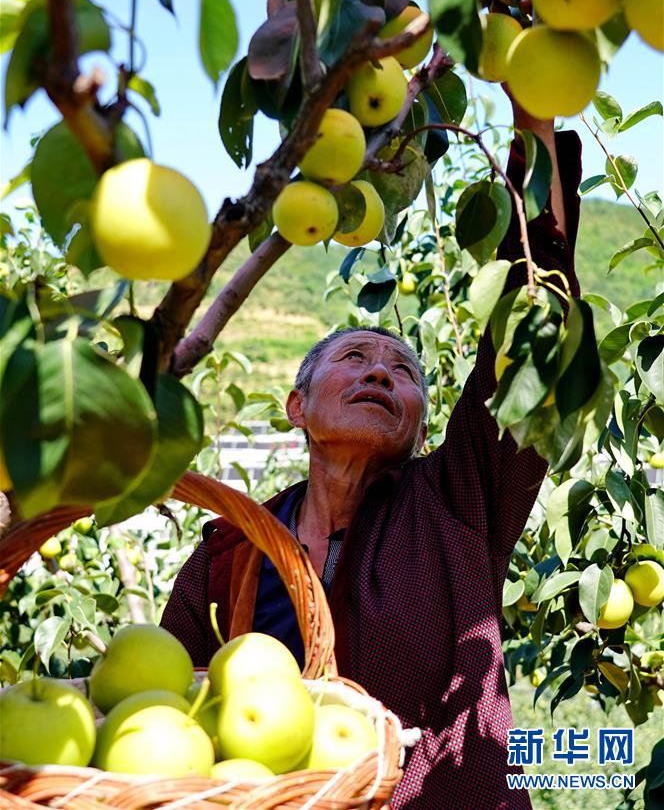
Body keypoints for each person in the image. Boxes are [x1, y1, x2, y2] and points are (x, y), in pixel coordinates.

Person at [161, 100, 582, 809]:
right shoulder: (227, 553)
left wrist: (533, 125)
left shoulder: (456, 504)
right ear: (298, 408)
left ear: (421, 428)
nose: (382, 373)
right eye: (355, 357)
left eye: (404, 372)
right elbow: (173, 716)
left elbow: (534, 339)